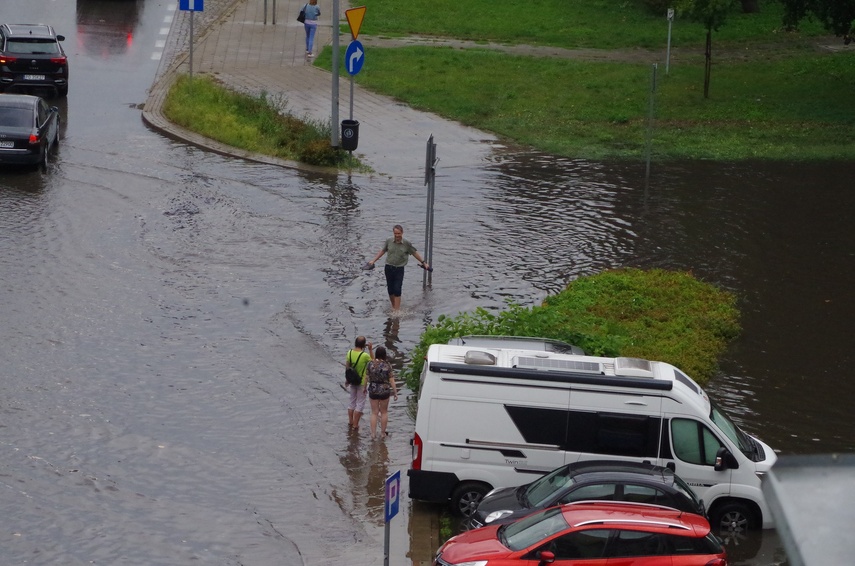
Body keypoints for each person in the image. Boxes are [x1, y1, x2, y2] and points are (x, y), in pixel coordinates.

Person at [368, 224, 429, 311]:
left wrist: (423, 263)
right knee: (390, 290)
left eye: (399, 233)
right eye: (395, 234)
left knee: (397, 289)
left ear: (402, 233)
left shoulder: (406, 243)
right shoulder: (389, 241)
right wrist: (373, 260)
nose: (397, 236)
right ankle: (393, 307)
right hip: (388, 267)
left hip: (399, 269)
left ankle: (397, 311)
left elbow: (414, 253)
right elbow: (383, 250)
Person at [366, 346, 398, 439]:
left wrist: (364, 388)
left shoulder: (370, 364)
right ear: (384, 355)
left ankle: (373, 434)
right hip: (384, 390)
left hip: (373, 389)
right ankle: (383, 433)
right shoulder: (387, 365)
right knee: (384, 412)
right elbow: (391, 380)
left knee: (374, 413)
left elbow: (366, 377)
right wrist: (395, 392)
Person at [344, 335, 373, 430]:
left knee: (352, 402)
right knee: (360, 403)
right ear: (363, 345)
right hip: (361, 382)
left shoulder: (350, 352)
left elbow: (347, 367)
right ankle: (355, 425)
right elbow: (374, 363)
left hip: (352, 381)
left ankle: (350, 422)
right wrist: (371, 350)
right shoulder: (364, 355)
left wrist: (347, 379)